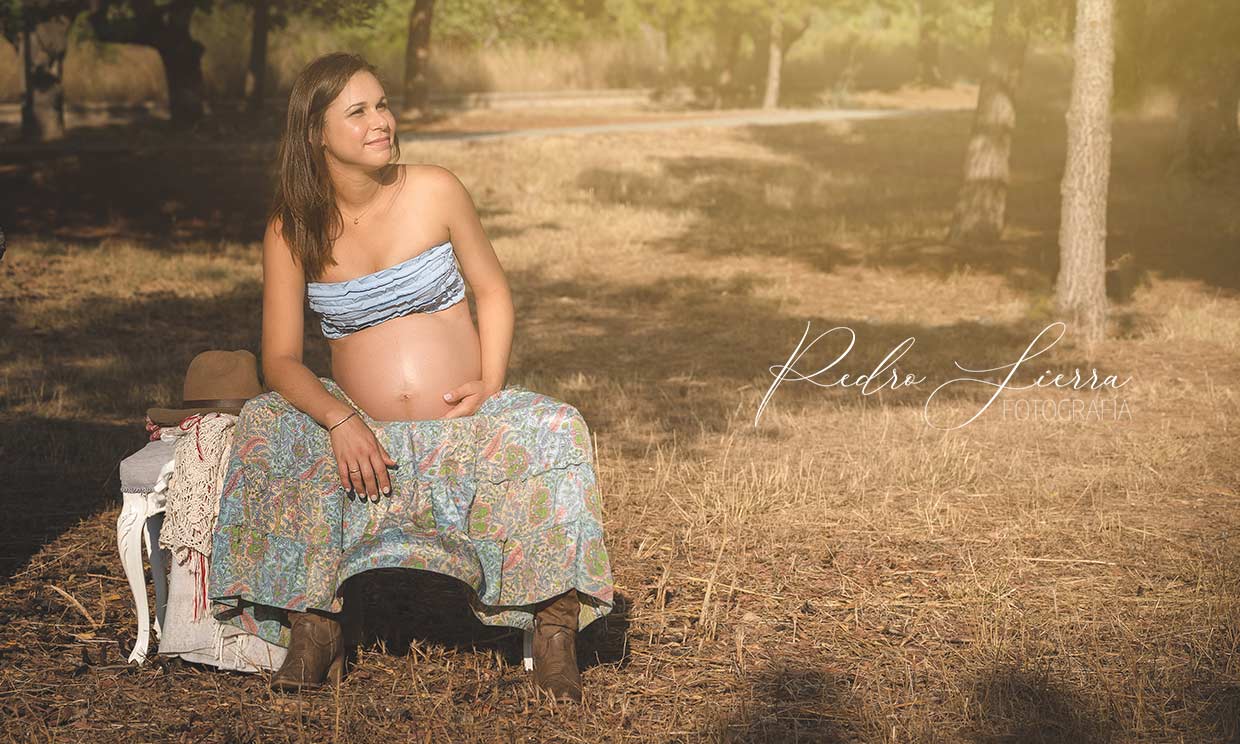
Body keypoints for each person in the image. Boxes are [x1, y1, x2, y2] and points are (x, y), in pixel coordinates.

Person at [206, 52, 614, 704]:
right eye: (358, 111)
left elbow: (494, 293)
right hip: (362, 427)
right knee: (263, 422)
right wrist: (340, 420)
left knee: (559, 426)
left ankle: (554, 631)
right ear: (315, 132)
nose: (381, 121)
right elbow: (279, 359)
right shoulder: (291, 229)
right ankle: (316, 626)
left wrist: (489, 382)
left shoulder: (434, 189)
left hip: (459, 421)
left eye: (383, 104)